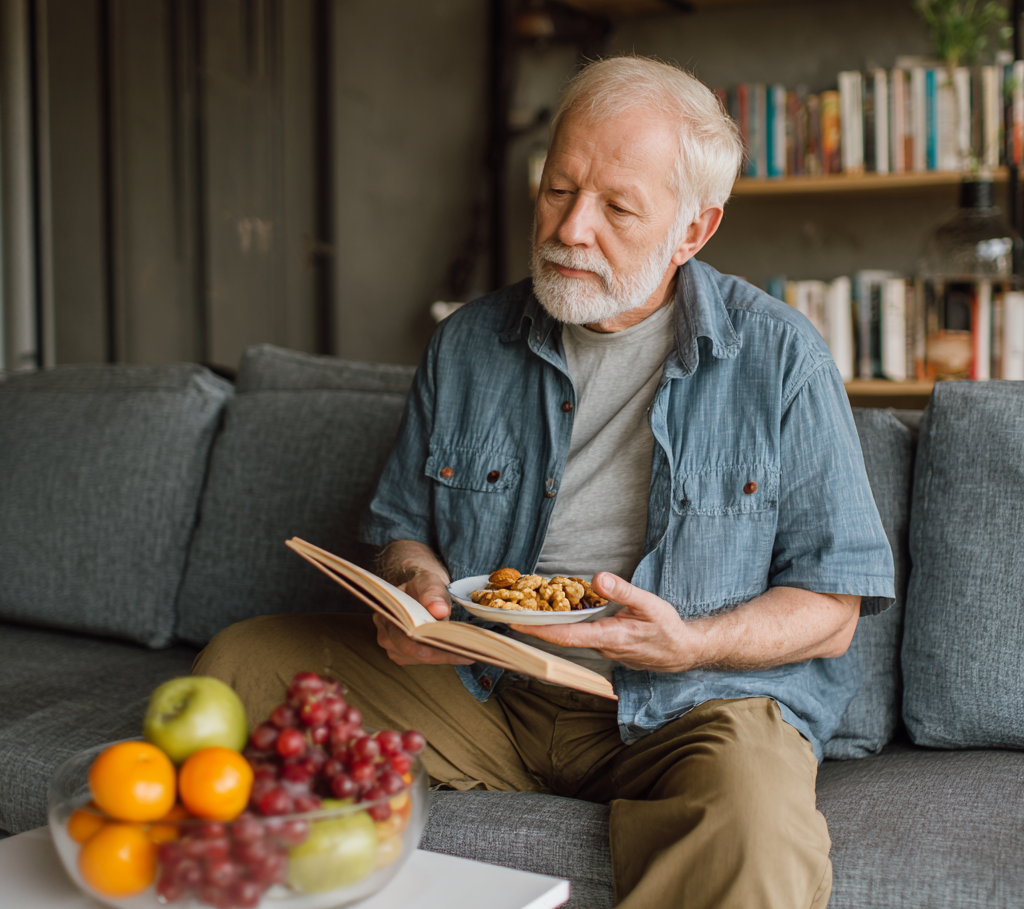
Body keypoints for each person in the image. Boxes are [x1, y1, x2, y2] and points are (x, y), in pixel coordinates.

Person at [195, 55, 894, 909]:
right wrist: (414, 589)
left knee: (752, 824)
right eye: (559, 189)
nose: (570, 229)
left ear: (693, 232)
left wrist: (692, 644)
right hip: (486, 683)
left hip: (691, 706)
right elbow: (402, 526)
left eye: (616, 207)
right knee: (242, 666)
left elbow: (832, 609)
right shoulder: (468, 344)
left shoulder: (782, 356)